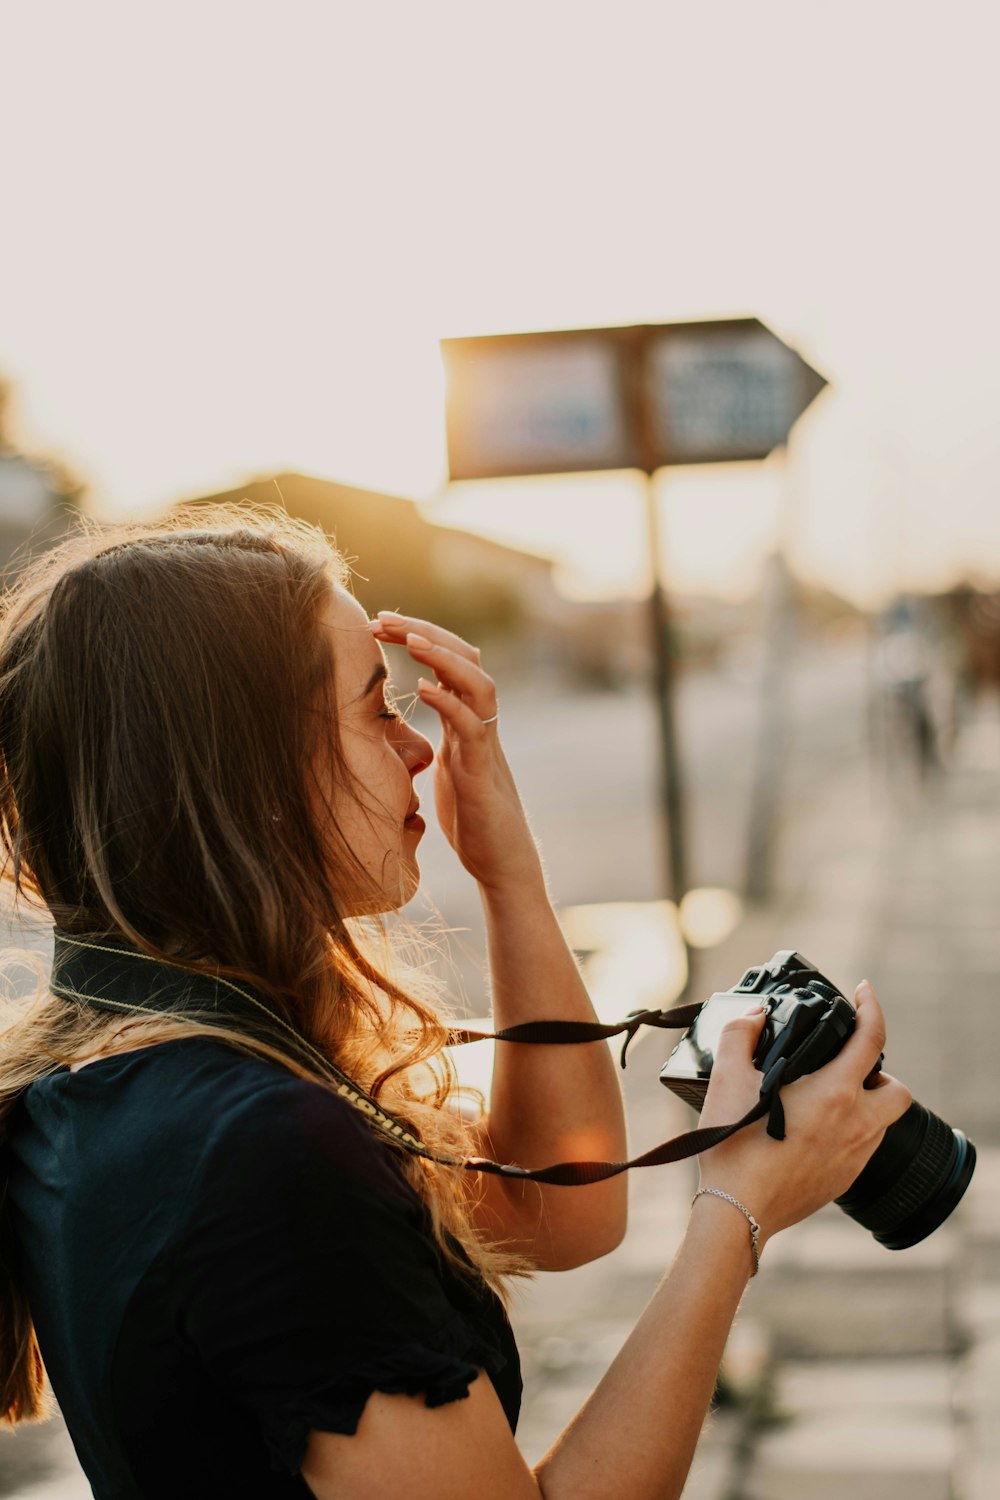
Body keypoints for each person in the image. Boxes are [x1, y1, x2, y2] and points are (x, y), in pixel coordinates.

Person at [0, 508, 910, 1500]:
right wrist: (737, 1210)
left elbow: (560, 1206)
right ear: (248, 767)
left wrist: (506, 868)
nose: (421, 748)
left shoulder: (105, 1076)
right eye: (376, 709)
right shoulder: (259, 1148)